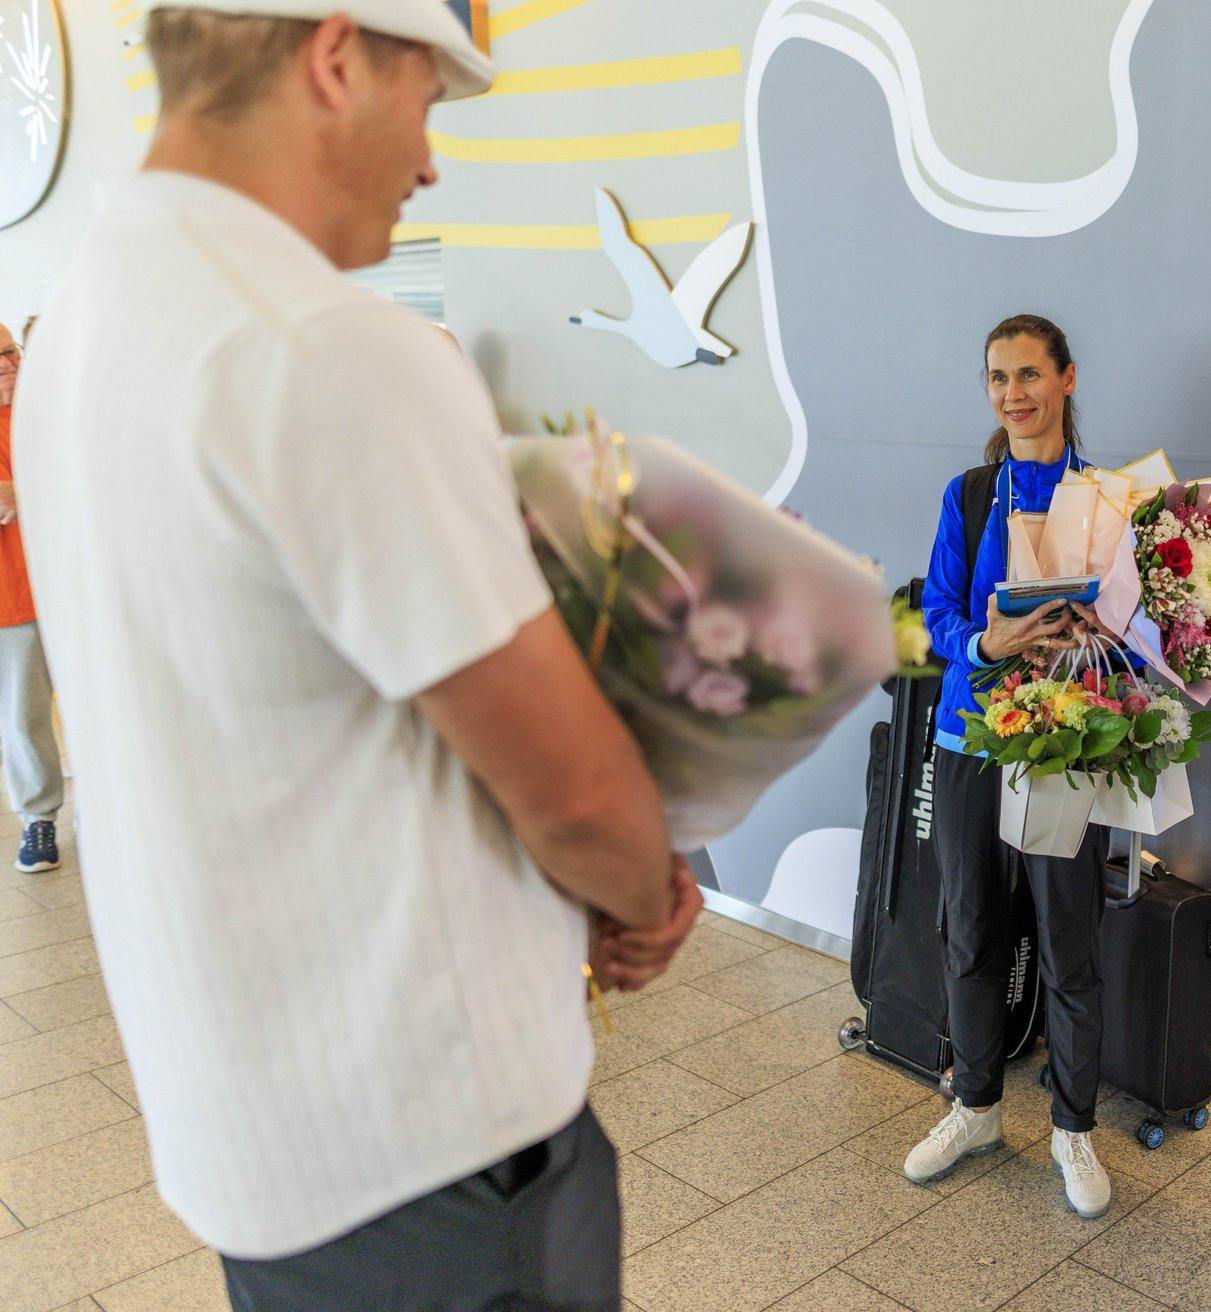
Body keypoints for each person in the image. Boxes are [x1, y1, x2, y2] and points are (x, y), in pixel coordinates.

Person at [12, 5, 701, 1308]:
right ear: (334, 57)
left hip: (253, 1140)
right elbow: (575, 793)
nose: (431, 162)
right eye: (428, 102)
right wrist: (646, 891)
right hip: (436, 1154)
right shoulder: (330, 350)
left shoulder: (81, 317)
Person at [905, 313, 1114, 1219]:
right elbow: (937, 611)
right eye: (997, 377)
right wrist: (984, 639)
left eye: (1029, 374)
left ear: (1067, 378)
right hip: (969, 742)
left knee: (1069, 946)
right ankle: (977, 1106)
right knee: (970, 933)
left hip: (1064, 743)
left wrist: (1111, 635)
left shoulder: (1108, 500)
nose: (1012, 393)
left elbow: (1138, 628)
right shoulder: (971, 492)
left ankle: (1074, 1130)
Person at [0, 323, 64, 874]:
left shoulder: (47, 411)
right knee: (24, 717)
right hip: (13, 599)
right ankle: (38, 821)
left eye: (10, 351)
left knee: (102, 699)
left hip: (71, 587)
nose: (6, 362)